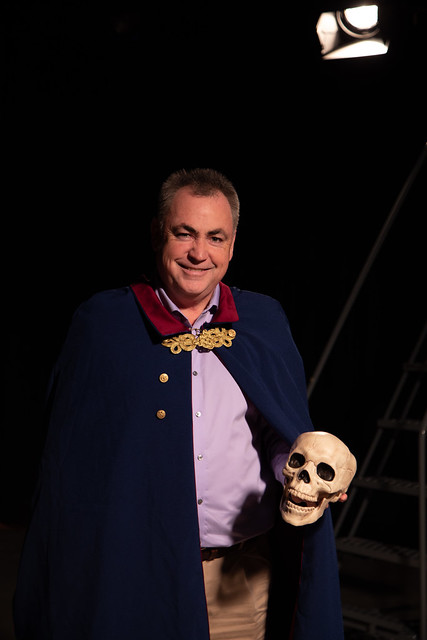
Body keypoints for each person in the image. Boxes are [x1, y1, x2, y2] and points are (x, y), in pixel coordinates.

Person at [14, 168, 345, 640]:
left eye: (215, 237)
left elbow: (277, 431)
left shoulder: (262, 321)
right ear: (157, 234)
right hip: (131, 575)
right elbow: (67, 470)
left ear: (232, 246)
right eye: (183, 233)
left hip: (237, 579)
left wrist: (295, 471)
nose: (198, 253)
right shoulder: (103, 325)